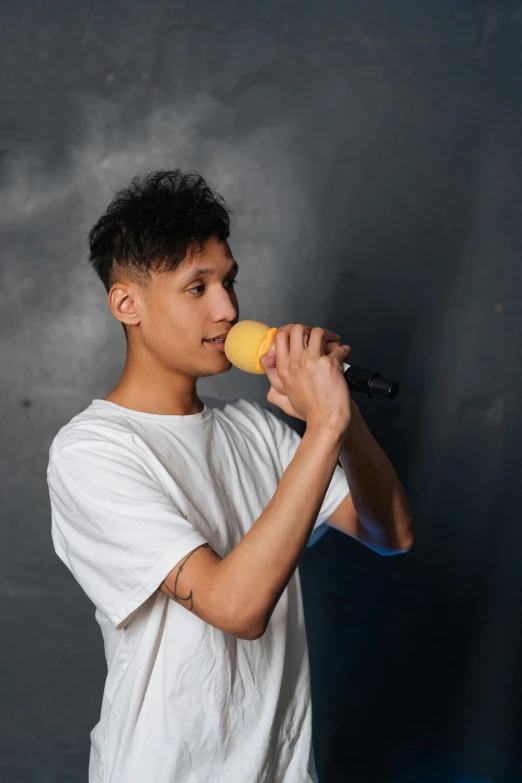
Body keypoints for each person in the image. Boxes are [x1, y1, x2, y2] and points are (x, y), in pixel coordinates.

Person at [46, 169, 414, 783]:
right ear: (126, 303)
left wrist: (342, 422)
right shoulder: (92, 451)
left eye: (229, 281)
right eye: (197, 287)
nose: (228, 308)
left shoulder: (255, 430)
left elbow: (391, 532)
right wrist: (322, 429)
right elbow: (236, 607)